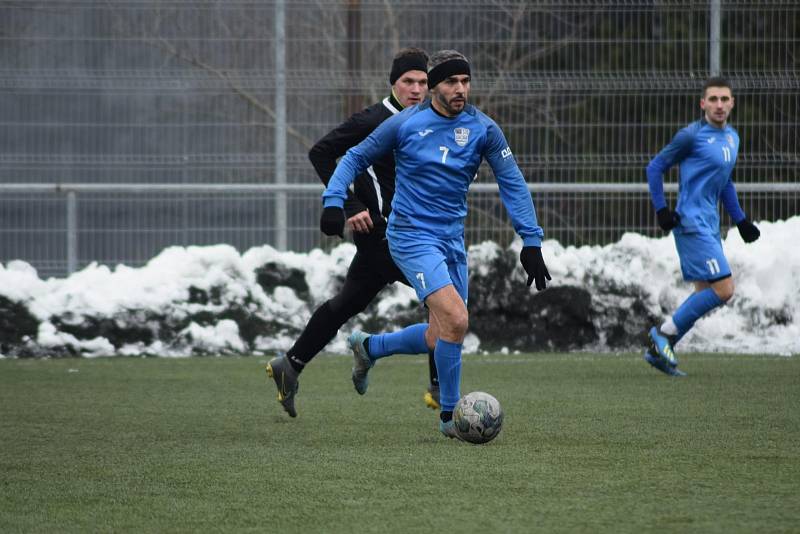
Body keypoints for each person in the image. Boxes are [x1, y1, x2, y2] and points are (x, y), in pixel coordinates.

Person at [319, 50, 551, 439]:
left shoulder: (484, 129)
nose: (460, 90)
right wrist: (333, 202)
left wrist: (531, 240)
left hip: (451, 240)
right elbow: (354, 158)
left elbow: (512, 181)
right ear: (434, 87)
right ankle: (450, 417)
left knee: (439, 333)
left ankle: (369, 347)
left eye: (465, 81)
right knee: (457, 319)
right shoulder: (407, 124)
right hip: (409, 236)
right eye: (451, 82)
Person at [265, 48, 436, 418]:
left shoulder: (427, 120)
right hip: (386, 236)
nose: (417, 89)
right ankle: (438, 387)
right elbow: (321, 153)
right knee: (445, 297)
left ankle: (290, 365)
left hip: (401, 235)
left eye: (423, 82)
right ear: (393, 83)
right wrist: (350, 205)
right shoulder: (374, 119)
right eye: (409, 81)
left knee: (347, 303)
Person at [645, 76, 760, 376]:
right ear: (703, 104)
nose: (719, 105)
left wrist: (741, 220)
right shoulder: (691, 136)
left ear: (732, 103)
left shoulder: (732, 138)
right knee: (724, 289)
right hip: (690, 223)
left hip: (710, 224)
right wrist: (662, 210)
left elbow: (724, 183)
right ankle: (664, 335)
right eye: (713, 99)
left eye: (724, 99)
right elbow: (655, 167)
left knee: (704, 292)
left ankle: (661, 353)